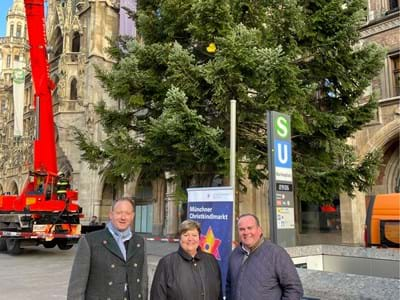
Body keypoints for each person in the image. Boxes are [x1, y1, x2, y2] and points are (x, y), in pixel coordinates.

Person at [67, 198, 148, 300]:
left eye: (127, 213)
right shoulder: (90, 241)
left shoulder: (139, 242)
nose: (123, 217)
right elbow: (77, 287)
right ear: (111, 215)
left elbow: (143, 284)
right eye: (119, 213)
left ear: (132, 216)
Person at [225, 214, 303, 300]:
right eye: (242, 229)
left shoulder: (276, 254)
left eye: (250, 228)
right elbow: (229, 286)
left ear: (260, 230)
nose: (246, 232)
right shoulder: (235, 254)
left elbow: (294, 288)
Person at [150, 220, 222, 300]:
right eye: (186, 235)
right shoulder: (166, 264)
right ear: (180, 238)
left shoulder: (211, 261)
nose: (190, 239)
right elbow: (157, 296)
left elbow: (219, 294)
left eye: (194, 235)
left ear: (199, 238)